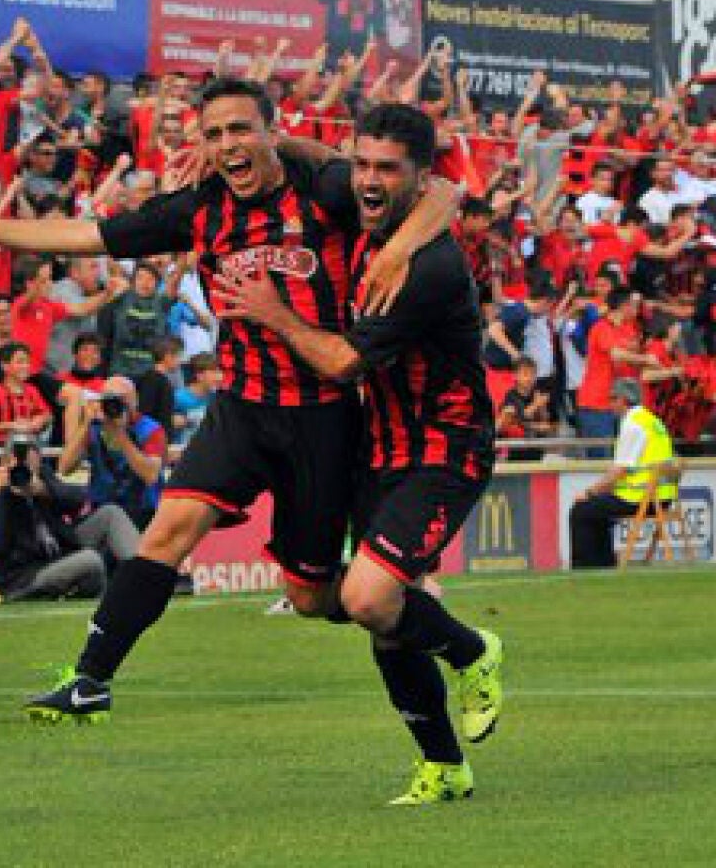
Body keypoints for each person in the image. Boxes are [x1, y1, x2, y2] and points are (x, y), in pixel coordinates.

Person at [0, 77, 456, 730]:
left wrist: (398, 247)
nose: (229, 144)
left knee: (310, 595)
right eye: (215, 133)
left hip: (324, 417)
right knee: (169, 528)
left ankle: (433, 627)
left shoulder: (327, 190)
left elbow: (446, 191)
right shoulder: (199, 209)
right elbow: (88, 236)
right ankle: (91, 678)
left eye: (242, 129)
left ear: (270, 132)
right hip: (242, 408)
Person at [212, 103, 502, 806]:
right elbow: (324, 162)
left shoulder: (425, 266)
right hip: (382, 442)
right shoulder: (366, 209)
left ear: (417, 178)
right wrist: (259, 137)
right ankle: (445, 766)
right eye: (362, 164)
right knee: (339, 604)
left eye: (387, 170)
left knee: (371, 597)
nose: (368, 180)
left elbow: (342, 362)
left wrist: (273, 311)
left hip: (445, 445)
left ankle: (472, 651)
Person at [0, 434, 143, 602]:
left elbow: (79, 499)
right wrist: (0, 496)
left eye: (31, 461)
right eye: (21, 462)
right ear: (5, 461)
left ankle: (147, 577)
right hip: (22, 578)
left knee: (110, 514)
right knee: (90, 560)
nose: (25, 468)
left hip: (57, 555)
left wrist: (44, 490)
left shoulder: (41, 476)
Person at [565, 378, 679, 568]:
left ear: (623, 400)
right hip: (663, 497)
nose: (610, 404)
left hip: (641, 498)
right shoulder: (652, 420)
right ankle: (605, 563)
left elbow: (619, 471)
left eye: (612, 399)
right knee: (597, 509)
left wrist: (589, 492)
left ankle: (585, 567)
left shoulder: (632, 424)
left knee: (581, 510)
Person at [57, 375, 167, 532]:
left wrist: (120, 433)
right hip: (102, 509)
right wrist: (86, 422)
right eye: (109, 400)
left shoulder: (150, 429)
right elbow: (64, 467)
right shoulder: (94, 427)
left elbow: (151, 475)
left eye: (121, 400)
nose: (114, 406)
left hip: (143, 512)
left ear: (134, 402)